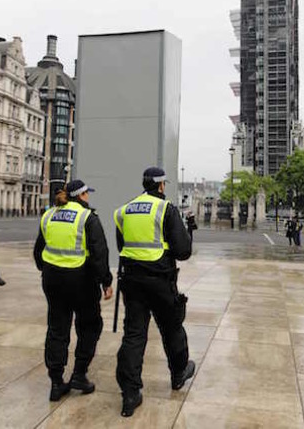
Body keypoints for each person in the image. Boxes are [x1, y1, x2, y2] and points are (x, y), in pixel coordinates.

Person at [114, 167, 194, 417]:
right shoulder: (166, 209)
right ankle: (178, 373)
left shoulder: (124, 210)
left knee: (134, 335)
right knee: (171, 328)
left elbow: (122, 246)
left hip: (132, 280)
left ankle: (130, 393)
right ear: (160, 186)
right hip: (160, 280)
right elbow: (183, 251)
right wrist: (188, 231)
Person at [34, 180, 113, 402]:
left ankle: (56, 382)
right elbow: (100, 253)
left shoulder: (49, 215)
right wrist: (106, 281)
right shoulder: (87, 217)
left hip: (52, 279)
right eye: (88, 193)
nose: (89, 197)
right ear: (81, 195)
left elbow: (39, 250)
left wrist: (47, 269)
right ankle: (79, 374)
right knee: (90, 326)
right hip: (81, 280)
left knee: (57, 328)